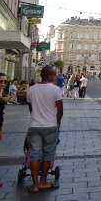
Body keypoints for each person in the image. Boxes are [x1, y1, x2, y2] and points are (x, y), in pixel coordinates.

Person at [26, 65, 63, 193]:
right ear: (49, 76)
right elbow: (60, 109)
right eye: (54, 74)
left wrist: (35, 116)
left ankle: (34, 185)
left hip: (34, 125)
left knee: (35, 155)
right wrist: (58, 122)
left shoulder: (31, 89)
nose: (55, 76)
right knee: (48, 154)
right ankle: (43, 182)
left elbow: (30, 108)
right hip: (50, 126)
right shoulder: (55, 90)